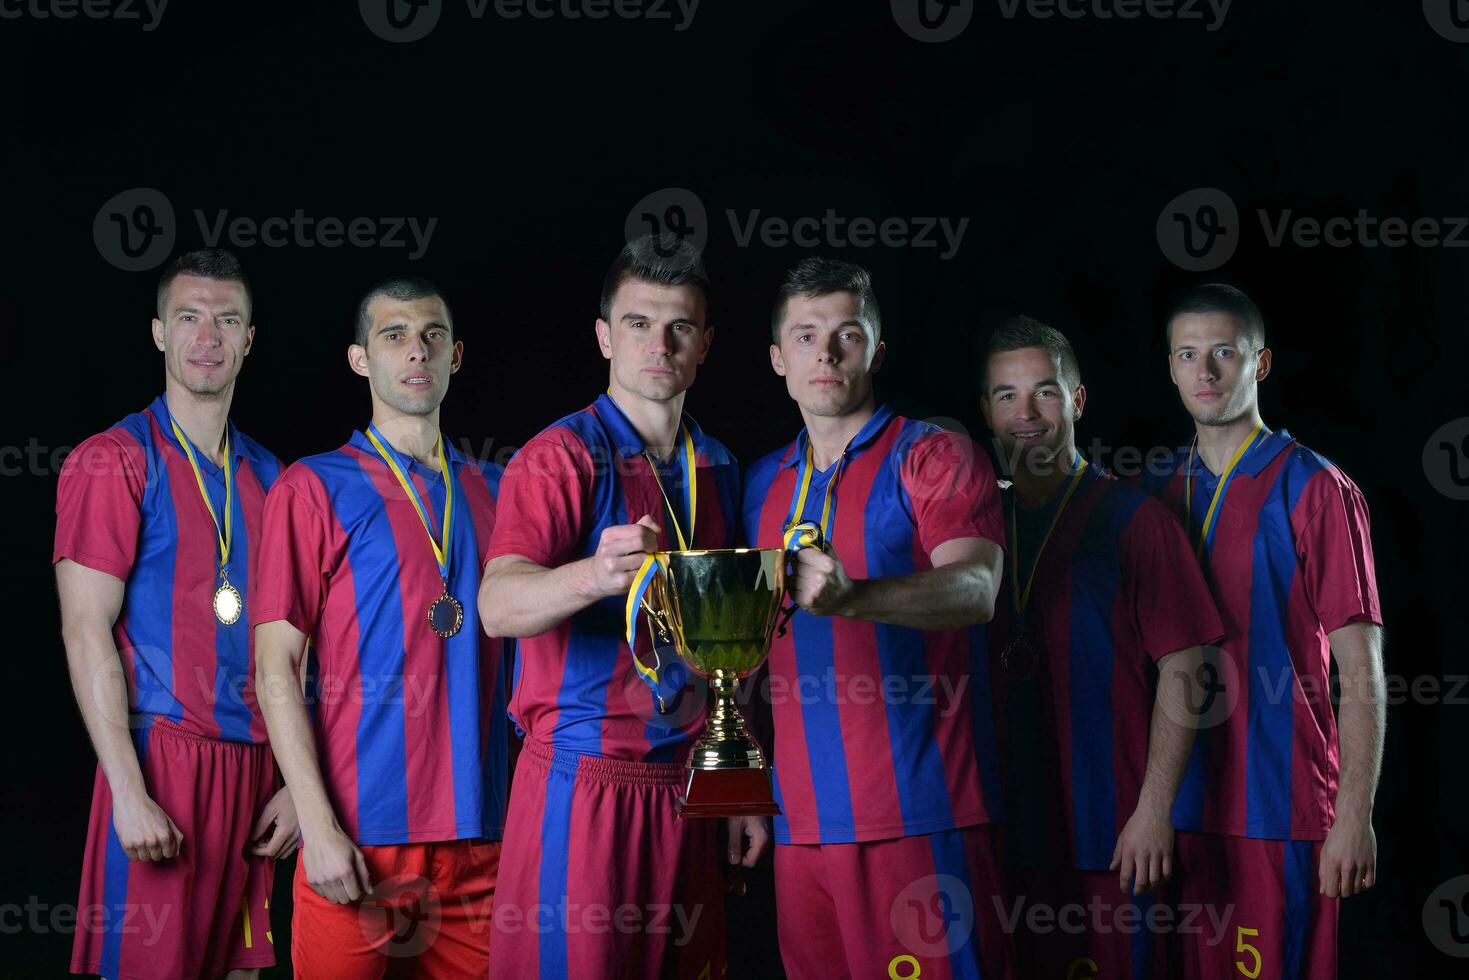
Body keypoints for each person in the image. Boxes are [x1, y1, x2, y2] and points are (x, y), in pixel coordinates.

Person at [478, 235, 761, 978]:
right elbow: (497, 606)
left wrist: (736, 784)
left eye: (679, 326)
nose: (657, 343)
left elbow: (743, 648)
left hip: (691, 781)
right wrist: (592, 575)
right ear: (604, 336)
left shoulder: (724, 466)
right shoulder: (560, 455)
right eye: (637, 323)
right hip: (587, 777)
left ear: (706, 344)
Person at [741, 257, 1012, 979]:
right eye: (804, 336)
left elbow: (976, 588)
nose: (825, 355)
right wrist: (743, 789)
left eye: (846, 335)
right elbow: (743, 656)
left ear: (877, 350)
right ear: (777, 358)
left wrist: (854, 598)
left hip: (921, 818)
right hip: (798, 828)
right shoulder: (760, 483)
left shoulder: (935, 454)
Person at [252, 276, 509, 977]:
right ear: (360, 359)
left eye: (431, 335)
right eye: (393, 335)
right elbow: (275, 666)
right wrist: (319, 823)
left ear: (456, 355)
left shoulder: (500, 487)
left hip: (484, 838)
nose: (414, 350)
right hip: (357, 838)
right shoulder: (312, 486)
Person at [57, 248, 296, 980]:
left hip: (256, 771)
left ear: (250, 339)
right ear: (159, 331)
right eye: (188, 317)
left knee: (243, 972)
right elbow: (83, 627)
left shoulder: (275, 477)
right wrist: (128, 792)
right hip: (164, 761)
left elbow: (299, 646)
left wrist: (296, 784)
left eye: (227, 320)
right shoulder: (115, 459)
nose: (207, 337)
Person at [1140, 283, 1385, 979]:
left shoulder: (1315, 487)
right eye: (1187, 354)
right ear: (1169, 367)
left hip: (1279, 810)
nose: (1205, 372)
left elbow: (1361, 670)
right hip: (1171, 812)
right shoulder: (1152, 492)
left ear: (1261, 363)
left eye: (1223, 352)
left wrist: (1352, 817)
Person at [979, 315, 1219, 977]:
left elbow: (1186, 667)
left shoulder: (1134, 519)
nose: (1026, 413)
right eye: (1006, 395)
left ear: (1077, 401)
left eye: (1045, 392)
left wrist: (1152, 809)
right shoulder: (970, 532)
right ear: (986, 409)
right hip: (997, 830)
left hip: (1109, 833)